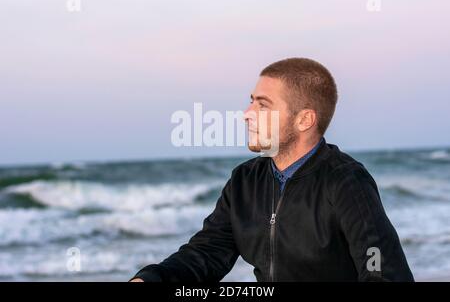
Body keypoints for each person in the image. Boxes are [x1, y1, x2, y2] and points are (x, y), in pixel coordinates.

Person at [130, 57, 414, 282]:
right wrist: (152, 278)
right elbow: (208, 253)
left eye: (262, 105)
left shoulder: (346, 181)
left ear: (304, 120)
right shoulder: (244, 180)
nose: (246, 114)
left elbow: (384, 272)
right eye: (251, 101)